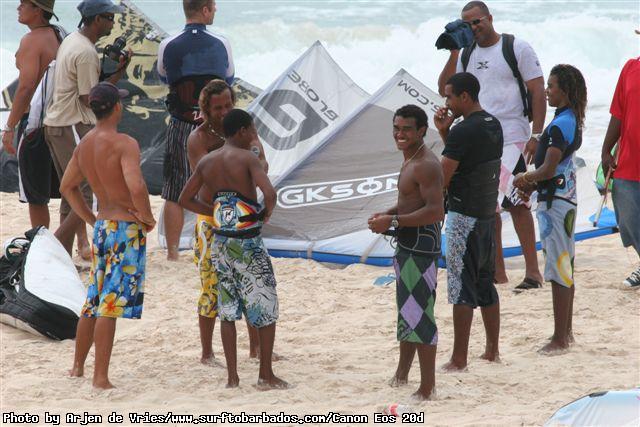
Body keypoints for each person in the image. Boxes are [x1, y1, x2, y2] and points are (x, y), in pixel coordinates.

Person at [438, 0, 546, 290]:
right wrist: (454, 50)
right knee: (489, 205)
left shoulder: (516, 47)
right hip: (478, 136)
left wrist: (537, 134)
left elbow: (537, 89)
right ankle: (498, 273)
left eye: (477, 21)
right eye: (467, 24)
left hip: (512, 135)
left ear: (490, 18)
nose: (473, 27)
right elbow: (445, 88)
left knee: (516, 203)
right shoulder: (467, 52)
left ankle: (533, 273)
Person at [179, 109, 287, 390]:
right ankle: (265, 375)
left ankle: (232, 378)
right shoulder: (247, 158)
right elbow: (270, 193)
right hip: (247, 241)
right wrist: (263, 214)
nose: (254, 135)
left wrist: (216, 212)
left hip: (221, 241)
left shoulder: (207, 161)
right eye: (252, 130)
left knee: (227, 310)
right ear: (242, 131)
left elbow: (185, 198)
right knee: (264, 305)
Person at [62, 82, 155, 389]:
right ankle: (100, 377)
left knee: (94, 300)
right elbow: (136, 185)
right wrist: (147, 217)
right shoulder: (124, 143)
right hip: (125, 228)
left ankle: (78, 367)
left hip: (103, 227)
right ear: (117, 107)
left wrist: (91, 218)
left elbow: (67, 187)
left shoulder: (85, 144)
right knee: (110, 304)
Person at [186, 79, 267, 364]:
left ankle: (256, 348)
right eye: (217, 108)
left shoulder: (243, 129)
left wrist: (251, 151)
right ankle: (207, 352)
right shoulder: (198, 139)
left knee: (250, 283)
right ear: (206, 110)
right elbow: (203, 179)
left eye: (228, 105)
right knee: (211, 286)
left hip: (242, 218)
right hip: (211, 219)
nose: (223, 112)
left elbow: (263, 164)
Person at [368, 105, 444, 400]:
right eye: (396, 128)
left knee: (420, 314)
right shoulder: (412, 158)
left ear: (422, 130)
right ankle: (402, 373)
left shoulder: (425, 164)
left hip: (419, 248)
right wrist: (387, 215)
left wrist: (393, 221)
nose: (400, 134)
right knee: (408, 311)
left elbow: (435, 211)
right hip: (409, 245)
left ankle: (427, 387)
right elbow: (411, 201)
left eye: (407, 129)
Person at [43, 0, 130, 258]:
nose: (113, 23)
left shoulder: (73, 40)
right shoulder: (86, 53)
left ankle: (64, 252)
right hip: (70, 124)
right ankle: (56, 248)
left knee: (70, 190)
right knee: (82, 190)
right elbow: (89, 99)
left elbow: (93, 93)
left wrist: (119, 71)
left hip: (58, 124)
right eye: (109, 17)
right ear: (96, 19)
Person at [514, 64, 587, 352]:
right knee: (564, 265)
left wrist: (525, 177)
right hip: (563, 197)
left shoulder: (559, 124)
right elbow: (556, 170)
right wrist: (535, 185)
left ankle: (559, 338)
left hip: (556, 203)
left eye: (551, 86)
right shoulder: (571, 119)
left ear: (565, 90)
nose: (546, 91)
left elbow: (547, 168)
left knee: (558, 268)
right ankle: (566, 333)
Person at [434, 72, 502, 371]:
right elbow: (471, 161)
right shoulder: (492, 124)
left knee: (461, 286)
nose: (446, 102)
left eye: (449, 96)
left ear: (464, 96)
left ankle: (459, 358)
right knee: (485, 283)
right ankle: (492, 350)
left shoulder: (463, 131)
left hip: (464, 216)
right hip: (486, 215)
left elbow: (443, 177)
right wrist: (445, 133)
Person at [157, 0, 234, 261]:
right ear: (205, 10)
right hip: (215, 126)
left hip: (182, 120)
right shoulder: (221, 43)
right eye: (213, 6)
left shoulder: (168, 44)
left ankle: (172, 253)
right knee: (221, 184)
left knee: (175, 189)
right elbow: (228, 79)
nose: (216, 10)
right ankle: (220, 240)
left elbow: (164, 77)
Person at [1, 0, 63, 230]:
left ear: (38, 10)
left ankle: (40, 240)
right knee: (68, 188)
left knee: (35, 194)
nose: (18, 8)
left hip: (35, 122)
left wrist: (9, 126)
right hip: (58, 119)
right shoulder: (58, 35)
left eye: (24, 4)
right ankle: (80, 242)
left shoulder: (31, 40)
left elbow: (26, 86)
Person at [601, 47, 640, 288]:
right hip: (628, 161)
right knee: (627, 219)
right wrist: (606, 149)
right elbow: (618, 112)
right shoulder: (630, 68)